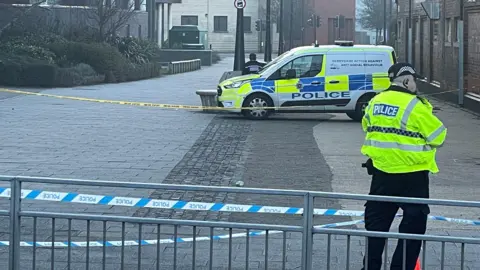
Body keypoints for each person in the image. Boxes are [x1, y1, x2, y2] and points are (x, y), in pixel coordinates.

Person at [360, 63, 447, 270]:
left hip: (381, 174)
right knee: (412, 228)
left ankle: (370, 267)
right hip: (412, 177)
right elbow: (439, 137)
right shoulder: (414, 105)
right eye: (414, 80)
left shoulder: (375, 101)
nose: (416, 84)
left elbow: (366, 126)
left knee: (376, 228)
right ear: (407, 81)